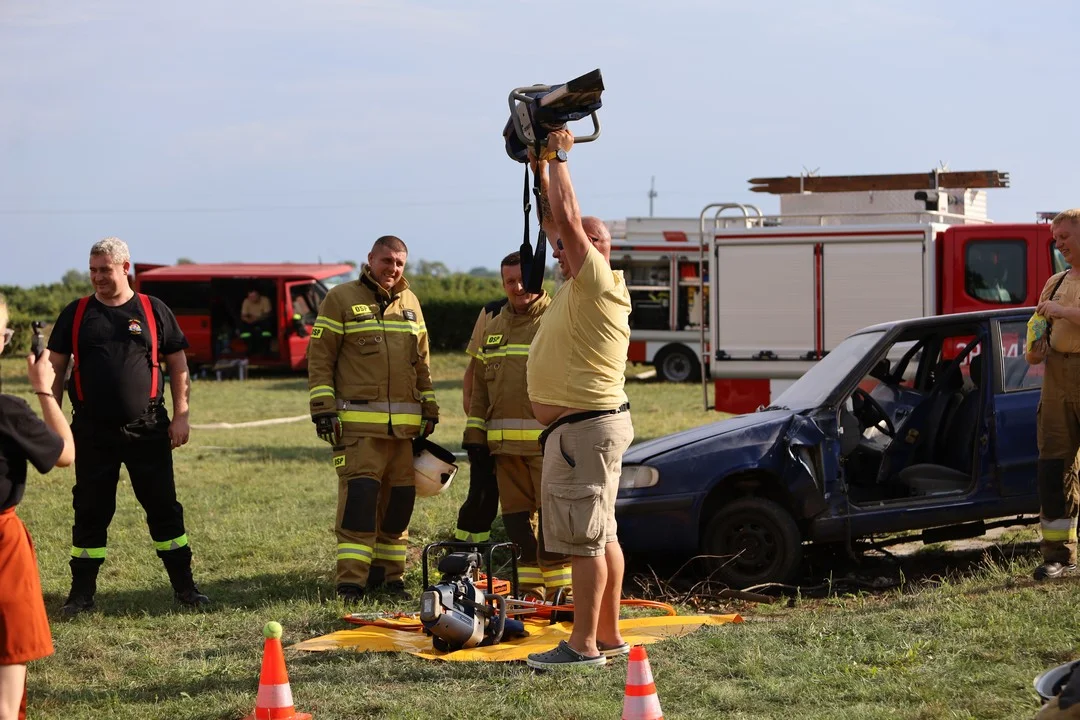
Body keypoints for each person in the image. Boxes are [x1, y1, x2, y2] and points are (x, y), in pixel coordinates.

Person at [46, 237, 208, 616]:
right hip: (91, 431)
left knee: (164, 508)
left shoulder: (153, 310)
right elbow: (53, 368)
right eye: (93, 269)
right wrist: (52, 420)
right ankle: (80, 596)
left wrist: (181, 415)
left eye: (105, 269)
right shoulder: (77, 312)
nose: (98, 277)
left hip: (148, 428)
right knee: (90, 510)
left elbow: (179, 366)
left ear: (125, 267)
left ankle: (185, 590)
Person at [524, 129, 635, 669]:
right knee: (603, 534)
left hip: (583, 433)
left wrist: (561, 156)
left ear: (591, 248)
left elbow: (568, 222)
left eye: (569, 246)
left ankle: (583, 645)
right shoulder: (579, 283)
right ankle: (609, 635)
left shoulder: (595, 281)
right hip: (590, 429)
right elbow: (555, 222)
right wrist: (538, 165)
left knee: (583, 543)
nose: (558, 252)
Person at [306, 235, 438, 603]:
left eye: (398, 263)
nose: (392, 269)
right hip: (359, 430)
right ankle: (351, 583)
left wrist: (429, 408)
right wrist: (323, 409)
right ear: (370, 259)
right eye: (386, 261)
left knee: (398, 508)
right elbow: (320, 359)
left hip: (402, 435)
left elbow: (422, 363)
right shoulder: (341, 298)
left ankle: (390, 578)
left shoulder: (411, 303)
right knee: (360, 506)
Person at [462, 252, 571, 600]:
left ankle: (562, 594)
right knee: (517, 525)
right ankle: (532, 592)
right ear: (502, 284)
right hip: (504, 452)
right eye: (510, 281)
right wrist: (475, 437)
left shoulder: (558, 320)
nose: (518, 286)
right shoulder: (493, 328)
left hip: (549, 446)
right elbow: (479, 386)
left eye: (524, 278)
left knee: (555, 526)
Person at [0, 297, 75, 720]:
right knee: (6, 684)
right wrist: (45, 388)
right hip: (1, 548)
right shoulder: (7, 410)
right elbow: (64, 453)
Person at [1026, 208, 1080, 581]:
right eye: (1055, 239)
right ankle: (1058, 556)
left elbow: (1062, 313)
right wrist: (1035, 346)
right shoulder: (1055, 281)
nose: (1058, 244)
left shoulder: (1062, 296)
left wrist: (1062, 311)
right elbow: (1038, 327)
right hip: (1058, 375)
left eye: (1064, 237)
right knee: (1054, 467)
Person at [453, 296, 507, 545]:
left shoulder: (552, 309)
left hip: (534, 434)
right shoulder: (491, 312)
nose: (518, 286)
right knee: (482, 495)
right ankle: (468, 554)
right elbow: (473, 372)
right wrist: (475, 424)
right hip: (490, 429)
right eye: (510, 280)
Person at [239, 287, 274, 356]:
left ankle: (266, 350)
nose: (252, 298)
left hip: (263, 320)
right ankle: (249, 349)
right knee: (244, 331)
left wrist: (256, 319)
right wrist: (248, 320)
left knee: (266, 332)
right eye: (250, 297)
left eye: (254, 296)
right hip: (250, 321)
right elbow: (243, 316)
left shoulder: (265, 300)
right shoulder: (246, 301)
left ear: (258, 295)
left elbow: (267, 314)